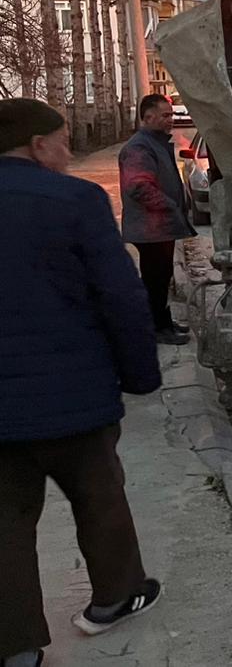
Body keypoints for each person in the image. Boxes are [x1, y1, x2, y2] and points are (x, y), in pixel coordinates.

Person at [0, 99, 165, 667]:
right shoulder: (75, 201)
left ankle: (17, 646)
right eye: (65, 141)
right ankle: (115, 598)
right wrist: (141, 376)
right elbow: (121, 296)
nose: (70, 153)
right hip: (76, 396)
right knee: (101, 501)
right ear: (38, 145)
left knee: (5, 526)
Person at [119, 93, 196, 346]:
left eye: (171, 114)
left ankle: (162, 322)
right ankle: (156, 329)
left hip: (159, 227)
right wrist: (170, 205)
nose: (170, 120)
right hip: (151, 228)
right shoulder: (139, 147)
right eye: (165, 115)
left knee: (160, 279)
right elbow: (138, 187)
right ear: (148, 117)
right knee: (155, 280)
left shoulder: (155, 143)